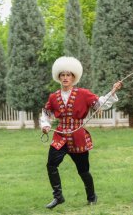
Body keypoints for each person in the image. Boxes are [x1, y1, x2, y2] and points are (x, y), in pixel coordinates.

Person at [40, 56, 122, 209]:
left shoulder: (83, 94)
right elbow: (46, 113)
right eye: (62, 75)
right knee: (51, 165)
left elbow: (99, 104)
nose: (65, 78)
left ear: (73, 77)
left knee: (83, 170)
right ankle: (58, 197)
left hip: (78, 137)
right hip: (60, 135)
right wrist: (45, 125)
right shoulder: (53, 97)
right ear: (58, 77)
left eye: (68, 75)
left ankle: (92, 197)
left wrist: (112, 91)